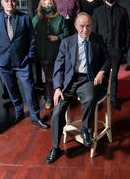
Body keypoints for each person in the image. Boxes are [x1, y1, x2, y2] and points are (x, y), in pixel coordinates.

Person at [45, 12, 110, 164]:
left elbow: (107, 59)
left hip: (87, 79)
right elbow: (58, 67)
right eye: (81, 26)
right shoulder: (67, 42)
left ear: (92, 26)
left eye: (88, 26)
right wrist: (58, 88)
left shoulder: (97, 39)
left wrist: (101, 72)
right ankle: (55, 147)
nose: (85, 30)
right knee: (57, 111)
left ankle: (85, 129)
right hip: (69, 81)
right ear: (75, 26)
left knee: (89, 98)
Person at [0, 0, 49, 129]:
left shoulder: (24, 18)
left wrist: (29, 56)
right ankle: (19, 111)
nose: (10, 3)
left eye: (13, 1)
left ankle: (35, 117)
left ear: (16, 2)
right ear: (1, 2)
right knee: (12, 89)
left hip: (22, 61)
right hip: (3, 62)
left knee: (29, 89)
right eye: (7, 1)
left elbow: (32, 39)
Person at [92, 0, 129, 110]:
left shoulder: (123, 11)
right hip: (101, 50)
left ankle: (113, 100)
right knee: (101, 74)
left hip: (116, 49)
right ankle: (100, 100)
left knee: (114, 77)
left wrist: (124, 49)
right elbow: (94, 32)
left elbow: (127, 31)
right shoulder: (97, 12)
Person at [32, 0, 69, 110]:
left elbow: (67, 34)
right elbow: (32, 35)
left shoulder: (60, 18)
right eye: (45, 5)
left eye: (49, 4)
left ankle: (61, 97)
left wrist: (57, 37)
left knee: (59, 75)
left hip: (58, 53)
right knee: (48, 78)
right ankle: (49, 98)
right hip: (43, 53)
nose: (47, 6)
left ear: (53, 5)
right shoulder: (36, 19)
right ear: (41, 6)